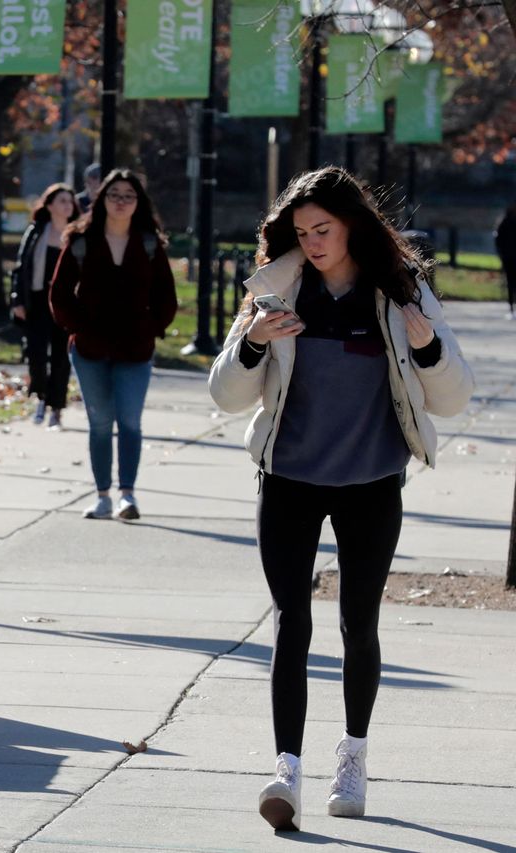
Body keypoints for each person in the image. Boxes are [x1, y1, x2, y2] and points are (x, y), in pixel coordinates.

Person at [208, 167, 473, 832]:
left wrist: (429, 346)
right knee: (290, 622)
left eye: (323, 229)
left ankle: (352, 758)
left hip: (371, 483)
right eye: (302, 232)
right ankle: (287, 771)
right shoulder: (278, 289)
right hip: (290, 479)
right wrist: (251, 343)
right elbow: (225, 395)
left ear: (351, 223)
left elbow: (454, 397)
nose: (314, 242)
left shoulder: (399, 291)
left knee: (360, 622)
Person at [50, 168, 177, 520]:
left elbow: (166, 296)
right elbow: (59, 294)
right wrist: (79, 326)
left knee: (131, 422)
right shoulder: (80, 240)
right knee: (101, 422)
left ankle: (128, 495)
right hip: (89, 349)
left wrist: (151, 327)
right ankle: (103, 495)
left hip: (136, 350)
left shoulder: (149, 242)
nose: (121, 202)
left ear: (138, 203)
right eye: (114, 194)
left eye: (128, 196)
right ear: (100, 199)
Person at [9, 183, 78, 430]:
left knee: (61, 357)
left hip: (66, 304)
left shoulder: (77, 235)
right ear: (49, 205)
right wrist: (17, 299)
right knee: (36, 355)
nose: (67, 205)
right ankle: (40, 397)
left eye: (70, 201)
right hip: (37, 302)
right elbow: (20, 268)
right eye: (61, 200)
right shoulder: (36, 232)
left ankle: (56, 408)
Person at [495, 203, 516, 318]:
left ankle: (513, 307)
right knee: (510, 282)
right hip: (508, 257)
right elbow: (499, 240)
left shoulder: (505, 221)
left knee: (512, 283)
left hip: (509, 256)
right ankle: (511, 307)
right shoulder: (505, 222)